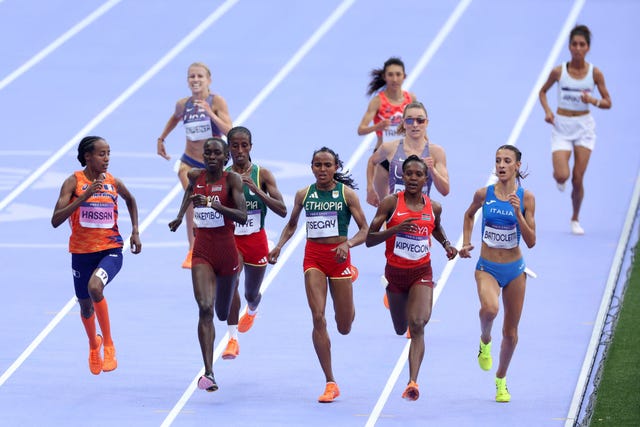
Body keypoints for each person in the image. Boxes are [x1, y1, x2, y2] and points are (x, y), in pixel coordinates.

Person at [267, 147, 369, 403]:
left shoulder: (347, 195)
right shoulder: (304, 194)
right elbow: (292, 225)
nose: (322, 169)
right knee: (318, 316)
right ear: (311, 167)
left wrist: (348, 245)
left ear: (336, 167)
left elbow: (365, 230)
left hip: (339, 259)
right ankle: (330, 381)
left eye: (327, 165)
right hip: (313, 258)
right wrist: (279, 246)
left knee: (344, 326)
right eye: (317, 165)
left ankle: (349, 281)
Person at [366, 155, 457, 401]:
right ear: (402, 176)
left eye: (419, 174)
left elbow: (435, 227)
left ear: (425, 178)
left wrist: (447, 244)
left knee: (417, 325)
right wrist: (395, 229)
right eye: (409, 174)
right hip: (395, 274)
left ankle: (412, 382)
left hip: (421, 272)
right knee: (400, 328)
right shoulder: (390, 204)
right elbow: (369, 239)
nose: (414, 178)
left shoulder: (433, 207)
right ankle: (393, 299)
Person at [51, 136, 142, 375]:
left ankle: (109, 344)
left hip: (111, 250)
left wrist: (135, 231)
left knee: (95, 288)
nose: (107, 159)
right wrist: (84, 196)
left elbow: (131, 200)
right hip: (81, 254)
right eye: (102, 154)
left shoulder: (113, 182)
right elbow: (56, 220)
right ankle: (95, 344)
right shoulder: (73, 182)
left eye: (109, 153)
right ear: (87, 156)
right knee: (85, 307)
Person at [168, 137, 247, 392]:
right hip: (202, 251)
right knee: (205, 307)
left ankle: (232, 307)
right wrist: (180, 217)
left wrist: (215, 205)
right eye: (207, 153)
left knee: (222, 312)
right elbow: (190, 193)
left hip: (227, 253)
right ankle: (209, 372)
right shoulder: (195, 176)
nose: (211, 157)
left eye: (216, 153)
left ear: (225, 158)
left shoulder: (232, 180)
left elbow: (243, 216)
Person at [459, 144, 536, 403]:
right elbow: (469, 215)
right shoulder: (484, 194)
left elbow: (532, 241)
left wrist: (518, 214)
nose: (501, 165)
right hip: (487, 267)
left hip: (515, 270)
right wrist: (466, 241)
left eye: (506, 161)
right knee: (490, 310)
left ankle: (501, 380)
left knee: (511, 333)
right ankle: (484, 340)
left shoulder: (526, 198)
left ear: (517, 166)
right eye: (497, 161)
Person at [367, 101, 450, 309]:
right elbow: (372, 161)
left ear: (426, 123)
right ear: (403, 123)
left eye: (420, 120)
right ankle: (398, 288)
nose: (415, 124)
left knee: (416, 254)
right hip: (395, 212)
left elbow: (445, 189)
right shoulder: (390, 147)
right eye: (410, 120)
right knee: (399, 255)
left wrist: (433, 171)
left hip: (421, 212)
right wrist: (371, 189)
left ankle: (408, 293)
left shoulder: (436, 152)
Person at [220, 126, 287, 360]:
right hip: (232, 240)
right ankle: (232, 339)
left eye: (244, 145)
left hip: (256, 240)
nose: (239, 150)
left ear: (250, 147)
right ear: (229, 148)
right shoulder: (224, 176)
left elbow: (282, 210)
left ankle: (253, 308)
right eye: (234, 146)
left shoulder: (263, 174)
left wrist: (255, 189)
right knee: (231, 283)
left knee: (251, 292)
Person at [157, 62, 233, 267]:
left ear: (209, 80)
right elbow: (174, 118)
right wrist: (162, 138)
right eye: (192, 77)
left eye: (200, 76)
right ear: (187, 81)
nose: (196, 80)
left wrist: (210, 114)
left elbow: (229, 132)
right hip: (188, 162)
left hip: (213, 166)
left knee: (220, 204)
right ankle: (192, 249)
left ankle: (225, 242)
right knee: (191, 198)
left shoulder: (216, 101)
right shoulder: (183, 104)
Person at [539, 24, 611, 235]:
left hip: (584, 128)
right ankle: (560, 179)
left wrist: (592, 100)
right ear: (569, 47)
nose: (578, 48)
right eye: (574, 44)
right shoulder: (559, 71)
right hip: (562, 125)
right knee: (562, 176)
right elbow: (542, 92)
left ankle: (575, 218)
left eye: (582, 45)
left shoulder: (595, 73)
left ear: (588, 48)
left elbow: (608, 102)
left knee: (578, 178)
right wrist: (548, 111)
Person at [358, 57, 417, 205]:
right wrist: (376, 127)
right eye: (390, 74)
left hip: (406, 157)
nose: (394, 79)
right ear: (384, 77)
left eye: (398, 74)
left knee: (406, 204)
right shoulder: (378, 101)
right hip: (383, 158)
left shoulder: (411, 99)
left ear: (404, 76)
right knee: (384, 206)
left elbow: (420, 125)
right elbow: (361, 130)